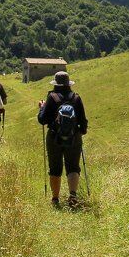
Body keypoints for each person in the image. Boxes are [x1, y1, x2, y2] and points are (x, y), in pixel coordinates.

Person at [37, 70, 88, 209]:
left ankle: (55, 199)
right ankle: (72, 196)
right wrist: (80, 132)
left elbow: (42, 120)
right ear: (68, 83)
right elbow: (83, 121)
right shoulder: (76, 98)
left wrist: (41, 108)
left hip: (54, 137)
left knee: (55, 168)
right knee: (73, 167)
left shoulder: (51, 97)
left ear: (55, 83)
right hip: (74, 137)